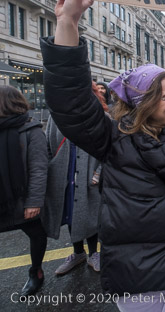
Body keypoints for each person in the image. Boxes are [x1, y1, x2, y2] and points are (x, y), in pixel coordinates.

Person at [40, 0, 165, 311]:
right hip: (135, 271)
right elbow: (72, 103)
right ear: (144, 103)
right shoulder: (113, 138)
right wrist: (67, 22)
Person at [43, 82, 107, 275]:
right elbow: (48, 145)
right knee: (71, 213)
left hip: (90, 173)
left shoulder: (99, 116)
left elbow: (108, 148)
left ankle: (94, 253)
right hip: (65, 172)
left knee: (91, 211)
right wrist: (52, 168)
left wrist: (98, 172)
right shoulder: (56, 116)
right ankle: (78, 252)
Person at [0, 85, 48, 296]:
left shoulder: (31, 129)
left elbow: (39, 168)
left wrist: (34, 202)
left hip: (21, 198)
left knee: (36, 233)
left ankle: (36, 271)